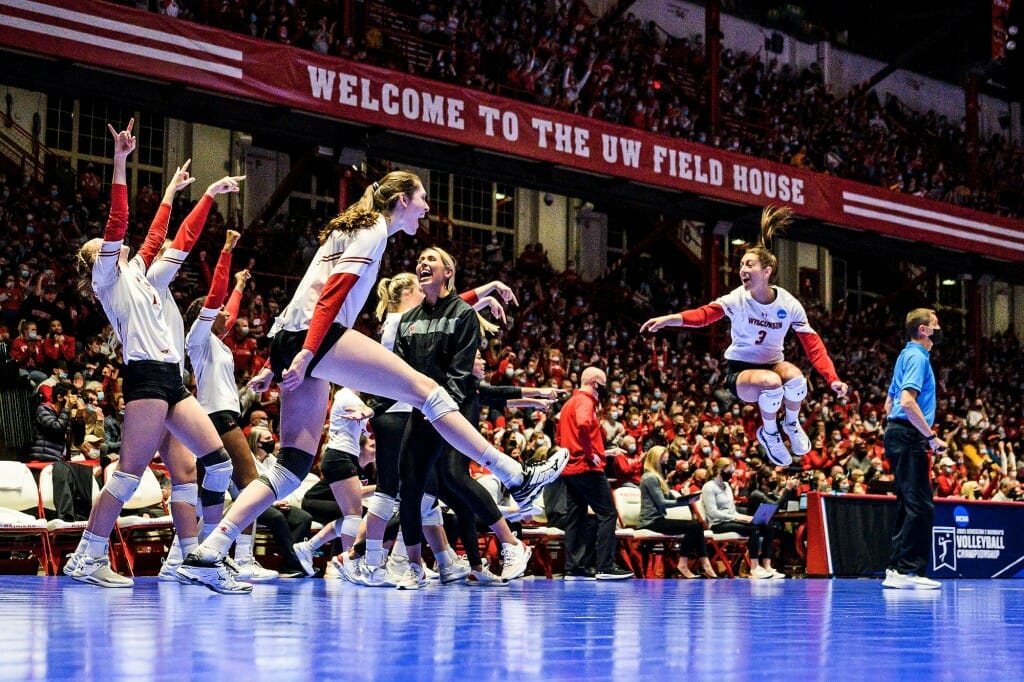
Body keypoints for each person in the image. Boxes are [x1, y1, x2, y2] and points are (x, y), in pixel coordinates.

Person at [178, 172, 567, 593]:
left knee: (291, 467)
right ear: (402, 199)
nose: (427, 208)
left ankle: (209, 551)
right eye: (423, 198)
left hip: (292, 337)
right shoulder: (373, 230)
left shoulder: (353, 230)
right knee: (428, 391)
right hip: (316, 337)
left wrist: (280, 360)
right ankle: (515, 476)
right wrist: (309, 351)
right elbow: (334, 293)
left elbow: (301, 299)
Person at [64, 120, 238, 590]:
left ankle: (194, 557)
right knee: (127, 476)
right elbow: (118, 222)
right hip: (144, 377)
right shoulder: (109, 280)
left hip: (172, 379)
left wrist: (201, 195)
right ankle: (87, 556)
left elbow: (171, 237)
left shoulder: (144, 274)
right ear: (97, 259)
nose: (116, 247)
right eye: (105, 248)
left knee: (213, 463)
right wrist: (120, 160)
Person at [640, 206, 848, 467]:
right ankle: (769, 433)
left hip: (773, 362)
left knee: (796, 379)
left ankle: (791, 424)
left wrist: (833, 379)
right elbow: (704, 315)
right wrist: (670, 319)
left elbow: (813, 346)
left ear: (767, 271)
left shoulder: (789, 303)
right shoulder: (737, 298)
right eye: (740, 265)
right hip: (741, 373)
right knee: (772, 382)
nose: (742, 269)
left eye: (749, 264)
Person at [176, 231, 277, 582]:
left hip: (215, 416)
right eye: (214, 309)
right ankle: (244, 558)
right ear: (203, 315)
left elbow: (229, 308)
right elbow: (217, 298)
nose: (223, 311)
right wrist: (226, 252)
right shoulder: (197, 339)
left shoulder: (215, 341)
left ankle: (189, 557)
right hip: (217, 417)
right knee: (253, 486)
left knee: (211, 495)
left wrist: (238, 284)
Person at [881, 308, 944, 590]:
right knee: (920, 505)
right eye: (935, 324)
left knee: (908, 504)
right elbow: (906, 402)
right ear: (923, 330)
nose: (939, 328)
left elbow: (888, 404)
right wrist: (930, 436)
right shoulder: (918, 357)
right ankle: (908, 572)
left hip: (897, 434)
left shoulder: (904, 355)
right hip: (908, 435)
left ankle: (897, 569)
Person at [557, 366, 634, 581]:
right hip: (586, 468)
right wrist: (591, 454)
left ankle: (573, 568)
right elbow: (583, 425)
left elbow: (567, 436)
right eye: (603, 382)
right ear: (594, 382)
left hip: (570, 468)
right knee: (608, 513)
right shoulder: (585, 401)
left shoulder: (569, 404)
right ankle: (605, 566)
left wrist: (603, 451)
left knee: (576, 517)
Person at [638, 446, 717, 579]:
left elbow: (671, 499)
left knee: (696, 525)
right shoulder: (650, 477)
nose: (667, 457)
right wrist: (685, 502)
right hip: (650, 521)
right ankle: (687, 564)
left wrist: (685, 496)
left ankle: (703, 563)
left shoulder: (658, 476)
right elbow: (662, 503)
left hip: (658, 519)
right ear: (657, 457)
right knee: (694, 525)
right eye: (664, 454)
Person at [702, 457, 782, 579]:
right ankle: (754, 568)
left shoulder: (727, 486)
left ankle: (767, 565)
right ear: (719, 470)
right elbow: (713, 513)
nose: (731, 473)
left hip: (731, 519)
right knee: (753, 528)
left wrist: (745, 517)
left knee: (768, 526)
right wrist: (737, 518)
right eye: (729, 470)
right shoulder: (709, 487)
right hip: (718, 524)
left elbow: (732, 510)